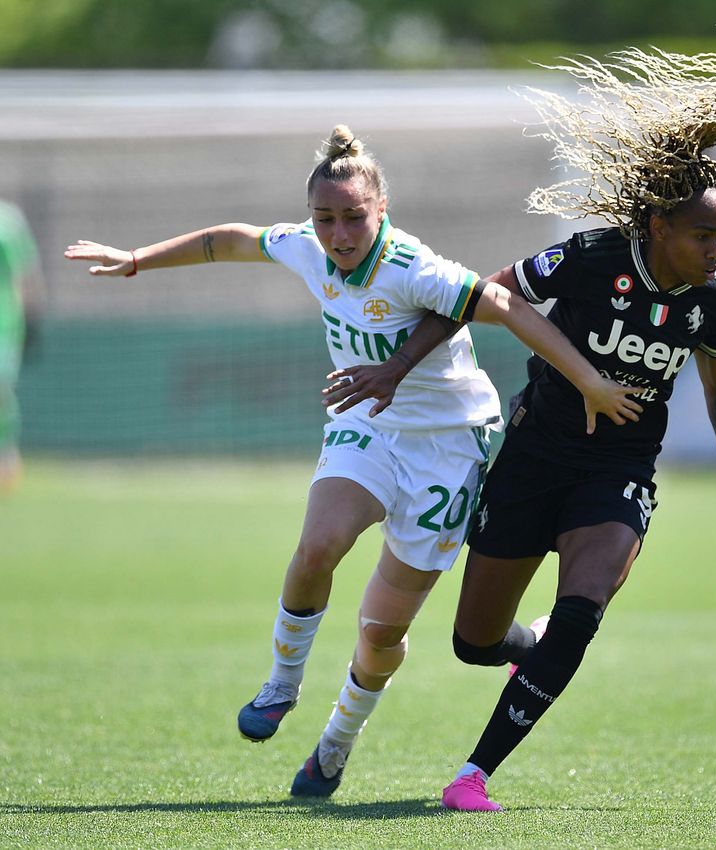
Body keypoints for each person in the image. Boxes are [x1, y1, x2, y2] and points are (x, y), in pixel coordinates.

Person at [64, 125, 642, 798]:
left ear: (382, 213)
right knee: (318, 547)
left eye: (353, 218)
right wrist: (137, 258)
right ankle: (281, 684)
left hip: (449, 446)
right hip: (369, 426)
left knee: (379, 633)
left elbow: (508, 306)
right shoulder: (307, 248)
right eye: (325, 218)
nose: (338, 234)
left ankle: (335, 744)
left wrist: (588, 381)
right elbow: (231, 239)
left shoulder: (413, 269)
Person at [331, 48, 716, 811]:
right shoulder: (592, 259)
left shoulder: (714, 302)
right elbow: (482, 296)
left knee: (584, 605)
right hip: (535, 455)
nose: (715, 251)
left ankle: (472, 775)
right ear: (659, 227)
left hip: (619, 470)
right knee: (474, 643)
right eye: (703, 236)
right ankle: (524, 650)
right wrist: (396, 368)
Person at [0, 201, 44, 495]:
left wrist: (33, 317)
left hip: (4, 323)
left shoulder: (8, 220)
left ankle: (6, 458)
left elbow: (27, 275)